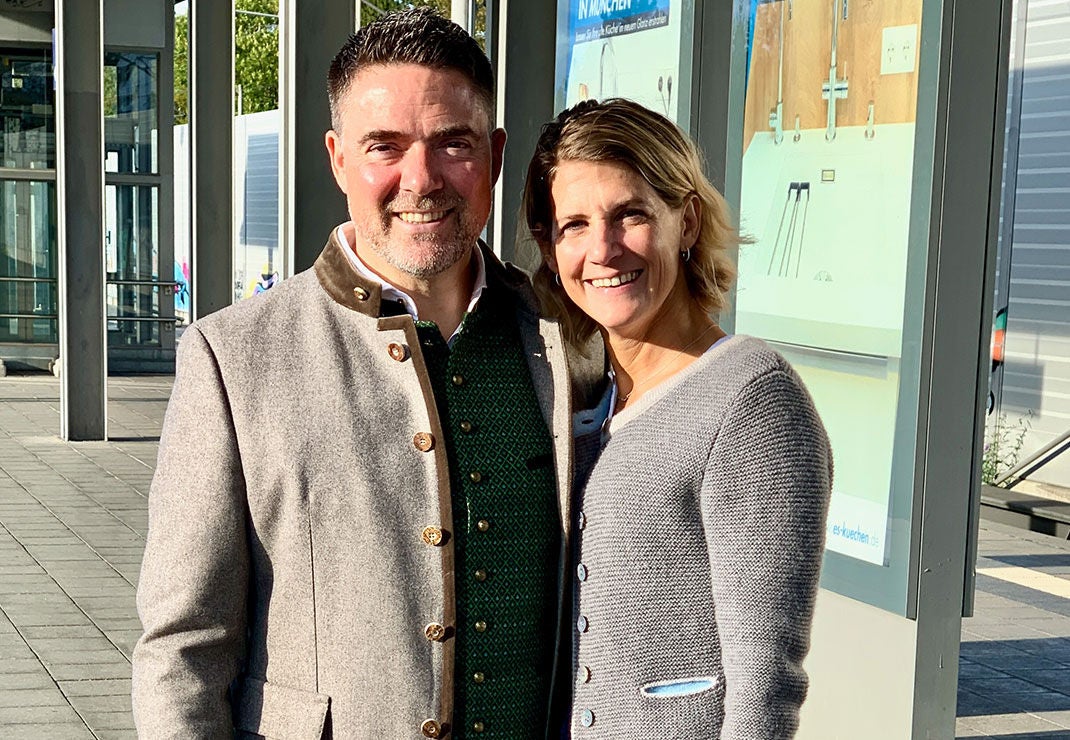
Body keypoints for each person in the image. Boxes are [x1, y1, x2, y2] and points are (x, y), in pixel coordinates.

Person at [132, 9, 602, 739]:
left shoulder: (567, 336)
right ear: (337, 158)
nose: (422, 178)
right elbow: (183, 650)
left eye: (454, 143)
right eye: (386, 145)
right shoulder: (233, 360)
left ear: (496, 154)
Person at [521, 98, 833, 739]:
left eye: (630, 215)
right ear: (552, 251)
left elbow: (764, 684)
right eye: (573, 225)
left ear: (686, 221)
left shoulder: (751, 400)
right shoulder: (582, 396)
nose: (602, 249)